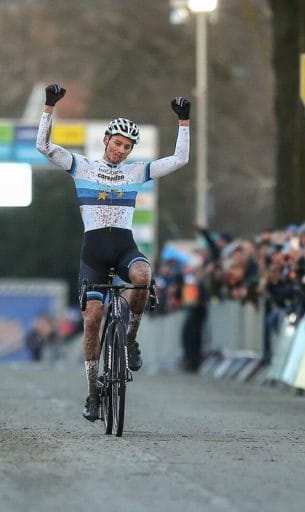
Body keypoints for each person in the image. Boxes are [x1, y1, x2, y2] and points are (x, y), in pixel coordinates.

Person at [36, 83, 191, 421]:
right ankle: (93, 393)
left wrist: (183, 122)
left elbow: (180, 160)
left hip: (124, 248)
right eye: (118, 143)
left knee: (143, 276)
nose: (121, 150)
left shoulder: (136, 172)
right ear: (106, 140)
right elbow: (43, 146)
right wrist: (49, 106)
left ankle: (131, 339)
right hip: (94, 253)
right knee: (92, 319)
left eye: (128, 146)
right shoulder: (82, 167)